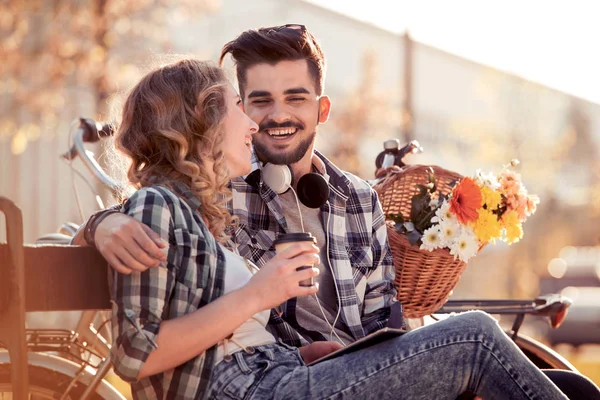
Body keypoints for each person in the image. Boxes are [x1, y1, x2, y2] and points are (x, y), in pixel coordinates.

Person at [75, 25, 600, 400]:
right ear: (206, 123)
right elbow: (146, 227)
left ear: (321, 110)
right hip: (277, 384)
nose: (269, 118)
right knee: (477, 335)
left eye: (295, 99)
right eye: (251, 103)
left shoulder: (356, 199)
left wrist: (358, 352)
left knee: (572, 386)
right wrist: (101, 225)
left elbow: (383, 317)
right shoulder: (219, 197)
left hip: (332, 371)